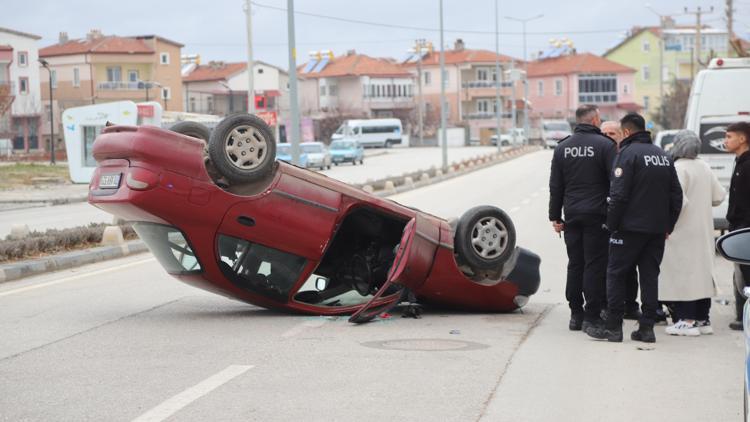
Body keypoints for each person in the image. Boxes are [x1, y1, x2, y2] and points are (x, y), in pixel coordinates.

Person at [586, 113, 682, 343]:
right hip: (656, 230)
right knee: (650, 276)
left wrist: (612, 225)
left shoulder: (626, 154)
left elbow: (618, 195)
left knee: (616, 274)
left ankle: (614, 327)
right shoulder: (663, 156)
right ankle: (647, 327)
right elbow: (676, 195)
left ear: (627, 132)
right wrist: (668, 225)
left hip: (628, 230)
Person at [549, 105, 617, 332]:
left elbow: (556, 186)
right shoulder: (605, 146)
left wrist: (554, 216)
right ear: (596, 119)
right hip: (597, 215)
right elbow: (615, 184)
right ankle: (591, 315)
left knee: (575, 264)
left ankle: (575, 314)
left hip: (572, 215)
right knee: (594, 265)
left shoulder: (563, 148)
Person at [658, 130, 726, 336]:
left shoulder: (678, 168)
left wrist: (664, 225)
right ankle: (703, 319)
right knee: (701, 274)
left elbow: (676, 202)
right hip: (703, 230)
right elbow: (719, 196)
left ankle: (685, 320)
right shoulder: (703, 166)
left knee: (683, 275)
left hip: (680, 230)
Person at [601, 120, 641, 320]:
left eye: (612, 134)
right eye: (605, 133)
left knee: (629, 268)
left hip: (627, 221)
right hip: (605, 219)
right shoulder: (600, 155)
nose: (608, 137)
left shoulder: (627, 156)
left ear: (622, 135)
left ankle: (631, 305)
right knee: (607, 267)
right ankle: (609, 304)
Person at [725, 122, 750, 331]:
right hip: (738, 226)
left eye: (729, 137)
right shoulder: (740, 162)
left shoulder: (748, 165)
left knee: (747, 274)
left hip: (745, 228)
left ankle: (745, 317)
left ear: (742, 139)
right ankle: (742, 314)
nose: (725, 141)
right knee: (740, 273)